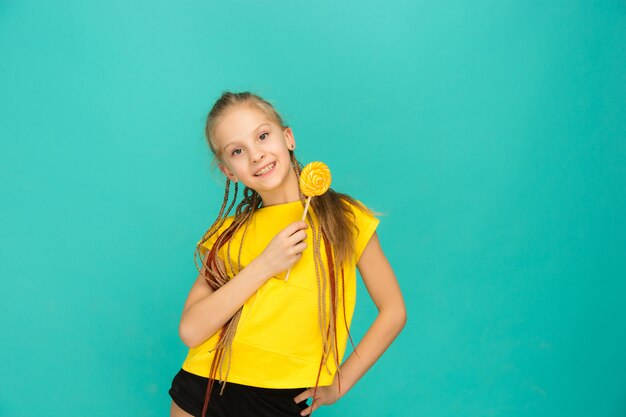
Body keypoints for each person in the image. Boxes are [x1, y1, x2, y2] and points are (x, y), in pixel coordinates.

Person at [169, 91, 406, 417]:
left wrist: (341, 382)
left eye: (262, 136)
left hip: (281, 399)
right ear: (229, 172)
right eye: (238, 151)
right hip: (206, 387)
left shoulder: (345, 218)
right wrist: (266, 264)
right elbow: (191, 331)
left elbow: (393, 310)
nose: (256, 155)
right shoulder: (229, 236)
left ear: (288, 137)